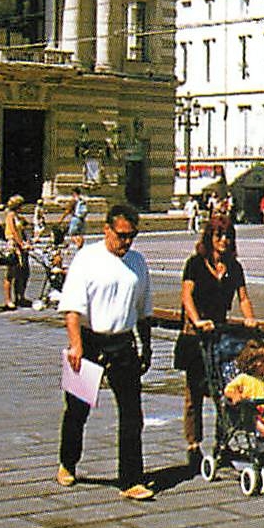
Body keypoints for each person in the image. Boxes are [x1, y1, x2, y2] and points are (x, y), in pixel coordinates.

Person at [56, 203, 157, 501]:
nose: (126, 242)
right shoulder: (87, 259)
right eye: (122, 235)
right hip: (89, 342)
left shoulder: (138, 263)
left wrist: (147, 346)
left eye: (131, 236)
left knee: (131, 414)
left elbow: (143, 312)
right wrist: (75, 344)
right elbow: (72, 308)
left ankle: (131, 479)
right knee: (77, 409)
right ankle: (67, 462)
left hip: (124, 343)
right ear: (107, 229)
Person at [177, 219, 260, 473]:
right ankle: (194, 445)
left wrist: (250, 318)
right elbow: (186, 296)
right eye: (219, 235)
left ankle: (222, 443)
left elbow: (243, 298)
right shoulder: (195, 264)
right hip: (196, 333)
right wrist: (197, 320)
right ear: (209, 237)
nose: (224, 240)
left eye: (228, 236)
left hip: (220, 332)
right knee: (194, 392)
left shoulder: (234, 267)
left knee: (225, 389)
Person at [1, 195, 29, 310]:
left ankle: (20, 297)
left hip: (20, 245)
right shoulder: (10, 215)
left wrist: (26, 241)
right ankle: (8, 300)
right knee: (10, 273)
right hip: (13, 245)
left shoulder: (18, 216)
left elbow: (21, 230)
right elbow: (13, 231)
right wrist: (20, 243)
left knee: (22, 272)